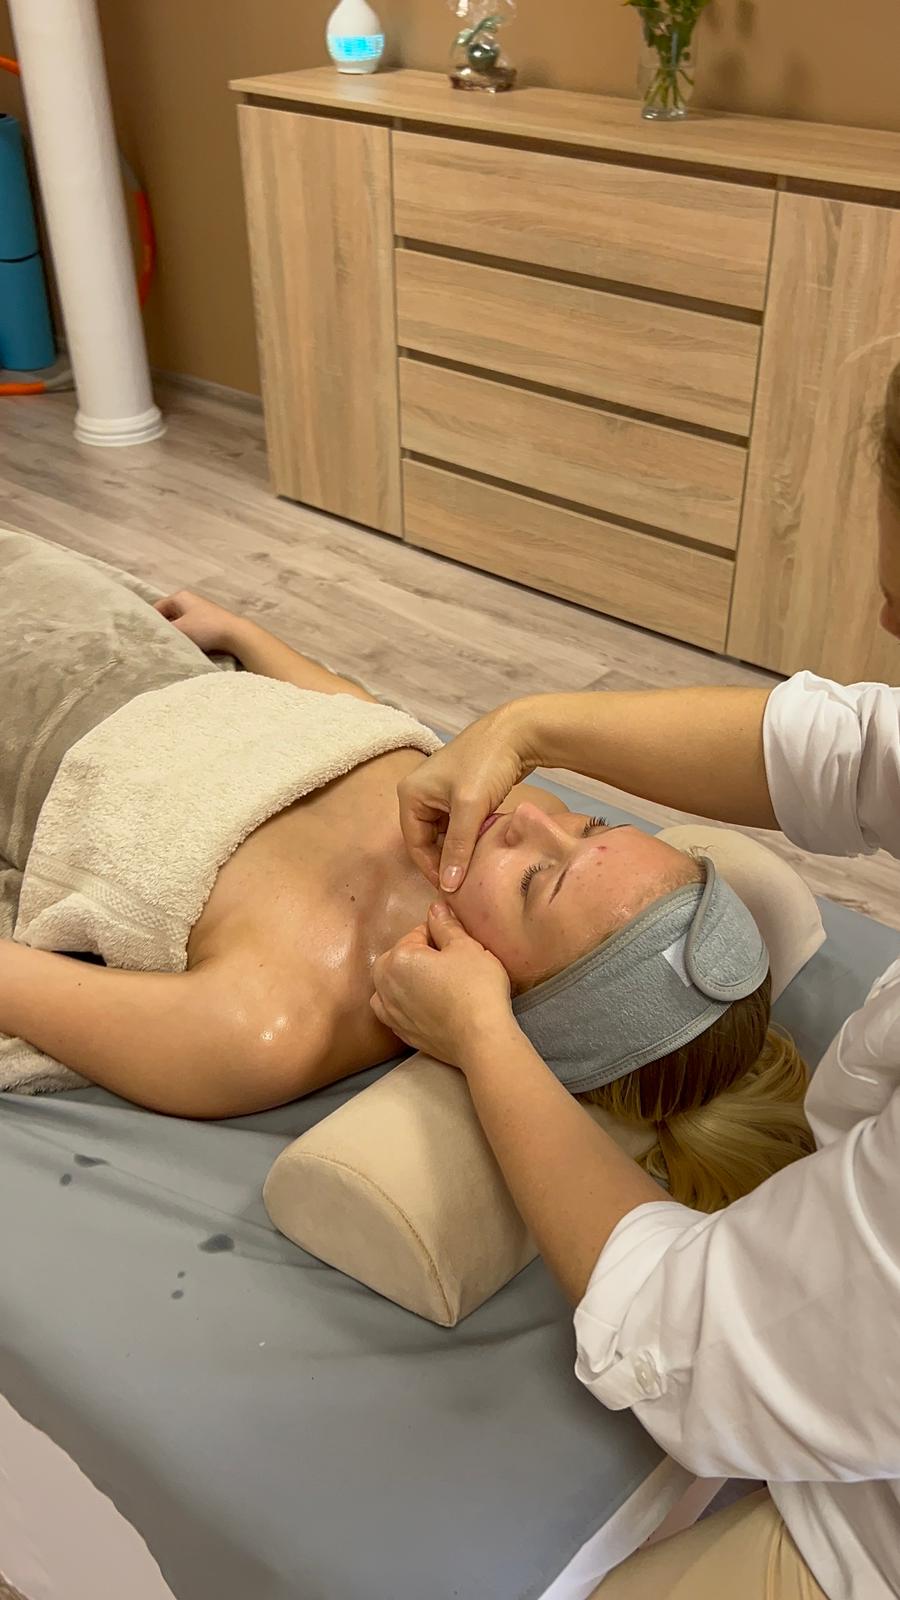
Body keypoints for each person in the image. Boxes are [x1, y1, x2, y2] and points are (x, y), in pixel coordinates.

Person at [371, 361, 900, 1597]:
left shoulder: (293, 1010)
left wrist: (484, 1042)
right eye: (591, 819)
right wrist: (524, 725)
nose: (884, 624)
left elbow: (687, 1343)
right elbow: (859, 747)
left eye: (547, 872)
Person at [1, 542, 810, 1210]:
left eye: (536, 879)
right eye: (590, 826)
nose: (530, 820)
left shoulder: (270, 1025)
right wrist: (245, 634)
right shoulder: (497, 811)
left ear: (504, 993)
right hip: (140, 647)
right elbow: (366, 728)